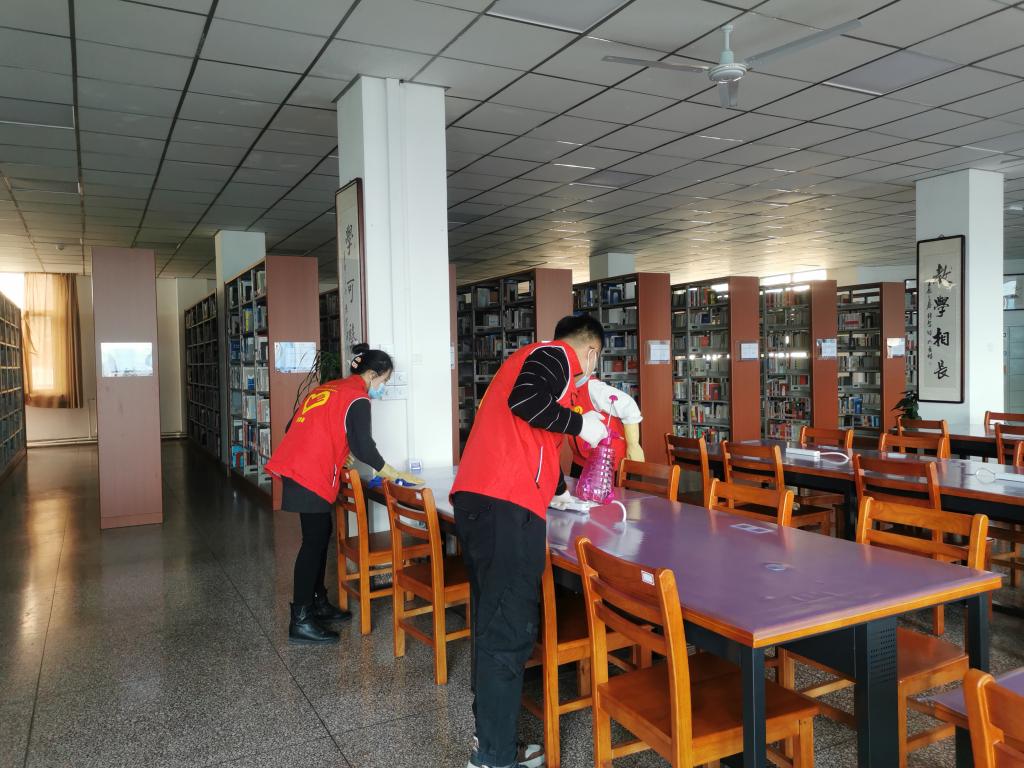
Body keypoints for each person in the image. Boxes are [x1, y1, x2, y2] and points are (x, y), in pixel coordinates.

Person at [451, 315, 609, 768]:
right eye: (595, 362)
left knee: (491, 624)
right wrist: (580, 424)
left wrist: (560, 494)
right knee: (509, 631)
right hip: (506, 507)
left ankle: (490, 742)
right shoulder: (554, 355)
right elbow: (526, 402)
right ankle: (495, 757)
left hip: (481, 502)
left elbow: (536, 439)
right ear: (590, 351)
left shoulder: (524, 360)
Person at [266, 343, 423, 644]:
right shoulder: (358, 397)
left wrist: (338, 448)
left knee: (319, 535)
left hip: (299, 466)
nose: (383, 388)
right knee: (313, 543)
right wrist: (391, 472)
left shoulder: (330, 388)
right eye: (384, 380)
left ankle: (317, 602)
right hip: (310, 472)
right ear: (372, 374)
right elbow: (364, 446)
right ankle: (300, 619)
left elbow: (293, 426)